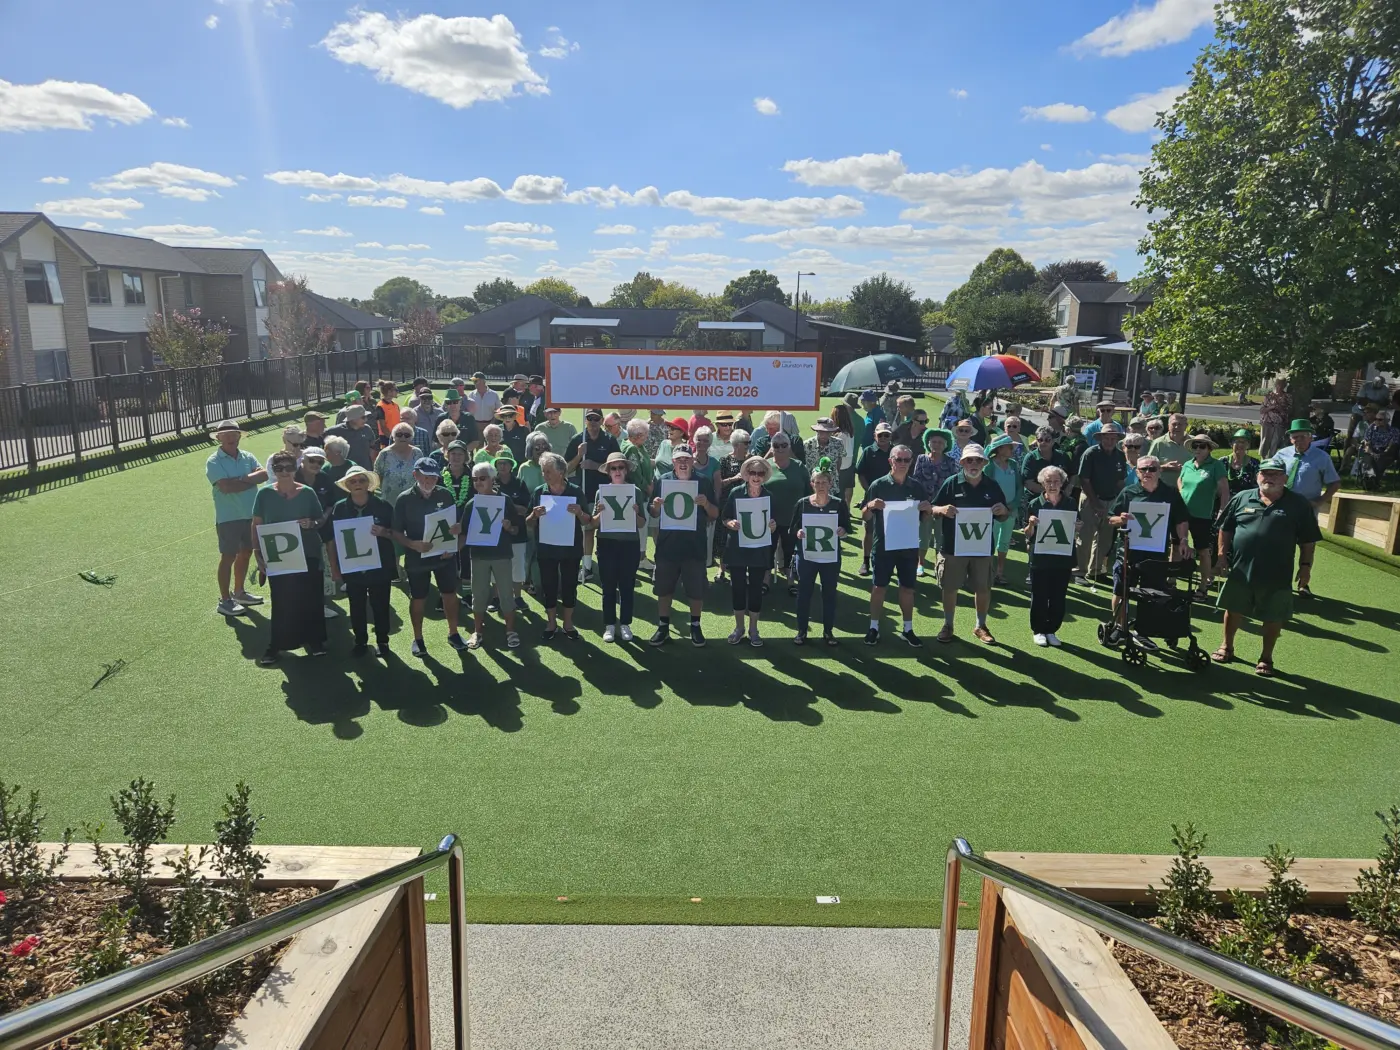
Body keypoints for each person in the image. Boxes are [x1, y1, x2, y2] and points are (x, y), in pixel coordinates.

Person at [1213, 456, 1322, 675]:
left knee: (1273, 616)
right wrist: (1222, 556)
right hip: (1241, 570)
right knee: (1233, 609)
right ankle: (1227, 646)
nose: (1269, 478)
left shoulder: (1298, 504)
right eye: (1265, 473)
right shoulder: (1242, 498)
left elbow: (1308, 540)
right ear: (1257, 476)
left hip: (1277, 573)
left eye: (1275, 474)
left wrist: (1306, 566)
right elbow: (1225, 528)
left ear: (1284, 477)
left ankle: (1266, 657)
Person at [1104, 455, 1191, 646]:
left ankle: (1142, 631)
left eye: (1152, 469)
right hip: (1128, 552)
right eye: (1143, 469)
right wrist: (1122, 519)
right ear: (1137, 472)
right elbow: (1111, 519)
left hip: (1156, 555)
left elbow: (1181, 519)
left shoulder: (1170, 493)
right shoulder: (1128, 493)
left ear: (1160, 471)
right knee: (1121, 591)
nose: (1148, 473)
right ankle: (1120, 628)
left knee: (1152, 594)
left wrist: (1183, 540)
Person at [251, 451, 329, 665]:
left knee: (311, 598)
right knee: (282, 601)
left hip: (308, 554)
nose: (284, 472)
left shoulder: (308, 493)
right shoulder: (264, 495)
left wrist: (310, 524)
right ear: (273, 471)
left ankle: (315, 642)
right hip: (278, 557)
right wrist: (257, 554)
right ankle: (276, 645)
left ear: (295, 468)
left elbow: (319, 520)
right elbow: (256, 525)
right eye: (279, 468)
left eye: (288, 467)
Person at [932, 444, 1009, 644]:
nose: (973, 463)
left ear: (984, 462)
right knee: (950, 587)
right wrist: (941, 510)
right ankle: (948, 625)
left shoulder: (991, 485)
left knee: (982, 587)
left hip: (981, 546)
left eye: (978, 460)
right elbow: (932, 508)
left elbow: (1004, 513)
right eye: (969, 460)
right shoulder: (951, 483)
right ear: (962, 462)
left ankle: (980, 625)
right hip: (953, 547)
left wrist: (1003, 511)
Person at [392, 458, 466, 657]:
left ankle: (453, 633)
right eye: (425, 476)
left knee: (449, 594)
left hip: (444, 556)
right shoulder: (404, 499)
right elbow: (396, 532)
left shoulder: (446, 494)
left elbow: (456, 525)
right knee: (418, 597)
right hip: (417, 557)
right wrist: (412, 544)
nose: (429, 480)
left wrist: (456, 537)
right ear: (415, 475)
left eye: (433, 476)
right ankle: (418, 638)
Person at [861, 443, 931, 646]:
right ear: (890, 461)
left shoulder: (916, 486)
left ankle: (907, 629)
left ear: (911, 462)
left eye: (906, 460)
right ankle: (873, 627)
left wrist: (927, 510)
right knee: (879, 587)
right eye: (898, 459)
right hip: (883, 546)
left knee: (907, 589)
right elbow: (864, 516)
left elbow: (925, 519)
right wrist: (870, 506)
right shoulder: (879, 485)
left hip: (908, 547)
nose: (902, 463)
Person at [648, 443, 717, 646]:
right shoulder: (663, 481)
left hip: (694, 545)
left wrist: (705, 504)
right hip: (668, 545)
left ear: (693, 461)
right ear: (673, 462)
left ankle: (695, 626)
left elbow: (714, 513)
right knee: (664, 589)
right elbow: (653, 512)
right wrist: (656, 506)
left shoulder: (703, 482)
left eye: (687, 459)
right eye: (679, 459)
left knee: (696, 589)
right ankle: (663, 626)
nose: (683, 463)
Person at [328, 465, 397, 658]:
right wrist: (334, 568)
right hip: (352, 568)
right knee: (356, 606)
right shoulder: (339, 508)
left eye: (361, 480)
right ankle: (360, 641)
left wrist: (384, 532)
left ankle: (383, 641)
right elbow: (332, 540)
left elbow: (398, 534)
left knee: (381, 605)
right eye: (353, 481)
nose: (357, 484)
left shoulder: (383, 506)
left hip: (380, 567)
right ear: (347, 485)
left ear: (369, 483)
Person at [206, 421, 268, 617]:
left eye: (234, 433)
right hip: (228, 518)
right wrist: (249, 480)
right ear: (218, 438)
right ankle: (225, 600)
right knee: (228, 557)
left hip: (250, 515)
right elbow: (225, 487)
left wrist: (240, 480)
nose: (231, 437)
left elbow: (264, 474)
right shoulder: (214, 460)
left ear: (239, 436)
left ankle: (239, 592)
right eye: (226, 434)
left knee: (246, 553)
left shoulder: (247, 456)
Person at [1274, 419, 1341, 595]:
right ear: (1290, 439)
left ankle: (1303, 584)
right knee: (1282, 547)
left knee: (1307, 546)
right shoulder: (1282, 455)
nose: (1299, 440)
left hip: (1307, 511)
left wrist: (1320, 501)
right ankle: (1281, 581)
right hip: (1283, 508)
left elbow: (1334, 483)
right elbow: (1268, 474)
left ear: (1310, 438)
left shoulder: (1321, 457)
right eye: (1296, 437)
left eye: (1303, 437)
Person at [461, 462, 522, 651]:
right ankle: (477, 631)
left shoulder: (505, 501)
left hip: (502, 555)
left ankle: (510, 631)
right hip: (478, 556)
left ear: (492, 479)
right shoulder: (471, 504)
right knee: (478, 596)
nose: (478, 482)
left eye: (482, 478)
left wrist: (508, 527)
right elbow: (463, 533)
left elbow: (516, 530)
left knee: (506, 595)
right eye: (475, 479)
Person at [528, 452, 588, 641]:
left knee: (570, 585)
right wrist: (533, 516)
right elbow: (528, 523)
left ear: (561, 472)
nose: (544, 475)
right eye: (543, 471)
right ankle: (551, 622)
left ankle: (568, 623)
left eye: (548, 471)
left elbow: (588, 521)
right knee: (549, 586)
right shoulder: (539, 492)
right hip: (546, 549)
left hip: (571, 549)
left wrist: (579, 512)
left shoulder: (576, 491)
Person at [720, 455, 778, 645]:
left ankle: (754, 629)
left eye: (760, 473)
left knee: (755, 589)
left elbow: (775, 522)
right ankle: (739, 627)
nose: (756, 476)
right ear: (746, 474)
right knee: (737, 588)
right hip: (737, 547)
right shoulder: (736, 493)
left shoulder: (769, 496)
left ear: (764, 475)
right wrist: (731, 523)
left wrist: (772, 525)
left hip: (759, 549)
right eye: (752, 472)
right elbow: (724, 517)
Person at [793, 459, 851, 646]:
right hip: (807, 556)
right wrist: (798, 533)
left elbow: (846, 527)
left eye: (824, 482)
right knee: (804, 592)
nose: (820, 486)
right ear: (812, 484)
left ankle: (828, 631)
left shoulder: (838, 504)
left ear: (831, 483)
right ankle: (801, 630)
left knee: (829, 593)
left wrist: (842, 532)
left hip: (830, 557)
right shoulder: (802, 503)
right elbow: (792, 529)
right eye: (817, 482)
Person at [591, 451, 648, 642]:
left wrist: (637, 513)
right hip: (607, 544)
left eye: (620, 467)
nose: (617, 471)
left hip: (629, 545)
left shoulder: (636, 492)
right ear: (608, 472)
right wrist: (599, 513)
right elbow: (593, 523)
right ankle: (609, 625)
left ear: (626, 470)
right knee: (608, 587)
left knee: (627, 586)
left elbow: (641, 524)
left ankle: (625, 624)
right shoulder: (602, 492)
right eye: (613, 468)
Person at [1023, 465, 1076, 647]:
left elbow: (1074, 529)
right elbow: (1027, 534)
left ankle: (1051, 629)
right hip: (1040, 557)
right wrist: (1031, 525)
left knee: (1058, 596)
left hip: (1063, 557)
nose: (1052, 485)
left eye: (1056, 481)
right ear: (1042, 483)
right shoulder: (1034, 504)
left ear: (1062, 483)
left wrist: (1078, 526)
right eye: (1048, 481)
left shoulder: (1070, 503)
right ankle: (1038, 630)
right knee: (1039, 595)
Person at [565, 409, 621, 582]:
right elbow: (567, 469)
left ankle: (610, 566)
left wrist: (595, 465)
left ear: (601, 420)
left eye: (596, 419)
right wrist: (579, 456)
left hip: (607, 492)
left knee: (607, 531)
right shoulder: (578, 440)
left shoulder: (610, 441)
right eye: (589, 419)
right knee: (587, 530)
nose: (593, 422)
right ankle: (587, 567)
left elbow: (618, 468)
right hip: (585, 493)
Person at [1178, 433, 1230, 595]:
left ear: (1209, 449)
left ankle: (1202, 586)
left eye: (1202, 446)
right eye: (1195, 446)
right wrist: (1182, 493)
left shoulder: (1216, 465)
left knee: (1202, 550)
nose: (1198, 449)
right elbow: (1180, 481)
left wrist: (1222, 511)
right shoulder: (1187, 464)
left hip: (1202, 515)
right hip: (1182, 514)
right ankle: (1172, 580)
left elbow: (1225, 491)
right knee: (1176, 546)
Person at [1075, 422, 1128, 581]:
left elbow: (1120, 481)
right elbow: (1084, 480)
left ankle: (1096, 570)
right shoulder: (1090, 453)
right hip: (1091, 498)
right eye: (1107, 437)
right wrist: (1096, 503)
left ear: (1117, 438)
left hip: (1111, 500)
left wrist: (1120, 501)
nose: (1110, 441)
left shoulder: (1120, 455)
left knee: (1105, 538)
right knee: (1085, 536)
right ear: (1101, 438)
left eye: (1113, 438)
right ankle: (1080, 570)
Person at [764, 432, 811, 594]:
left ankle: (791, 580)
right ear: (772, 447)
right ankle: (766, 579)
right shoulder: (765, 466)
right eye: (776, 445)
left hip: (793, 519)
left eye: (784, 445)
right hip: (770, 519)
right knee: (767, 550)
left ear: (789, 446)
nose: (780, 448)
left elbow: (808, 492)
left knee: (790, 550)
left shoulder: (799, 467)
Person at [913, 428, 959, 579]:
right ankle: (920, 564)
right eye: (934, 441)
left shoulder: (951, 462)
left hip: (943, 508)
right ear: (928, 443)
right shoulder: (921, 459)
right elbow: (916, 483)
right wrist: (923, 507)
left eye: (940, 442)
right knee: (923, 537)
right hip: (924, 507)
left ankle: (938, 564)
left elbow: (953, 485)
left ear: (946, 444)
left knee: (941, 538)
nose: (937, 445)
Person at [855, 422, 895, 576]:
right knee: (869, 529)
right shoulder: (868, 451)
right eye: (880, 435)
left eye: (887, 435)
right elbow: (861, 473)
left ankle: (887, 562)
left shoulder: (895, 451)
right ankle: (865, 561)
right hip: (872, 497)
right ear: (874, 436)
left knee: (889, 531)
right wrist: (869, 490)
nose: (884, 438)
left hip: (892, 498)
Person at [495, 453, 531, 613]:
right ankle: (496, 598)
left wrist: (506, 504)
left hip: (518, 532)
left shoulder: (519, 484)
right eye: (499, 463)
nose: (502, 466)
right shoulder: (491, 483)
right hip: (496, 533)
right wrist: (512, 506)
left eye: (506, 463)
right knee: (495, 566)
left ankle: (517, 596)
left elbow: (525, 509)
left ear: (511, 466)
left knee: (517, 568)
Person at [985, 435, 1022, 586]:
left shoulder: (1013, 464)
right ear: (999, 449)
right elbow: (986, 489)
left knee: (1005, 541)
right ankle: (989, 572)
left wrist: (1013, 504)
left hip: (1011, 511)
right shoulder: (989, 466)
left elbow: (1019, 487)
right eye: (1009, 447)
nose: (1012, 449)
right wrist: (998, 506)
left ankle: (1000, 572)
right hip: (994, 511)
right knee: (991, 542)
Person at [374, 422, 423, 507]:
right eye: (399, 434)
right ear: (393, 436)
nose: (403, 437)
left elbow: (421, 474)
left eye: (407, 435)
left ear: (411, 437)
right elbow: (377, 476)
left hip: (412, 499)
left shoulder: (417, 453)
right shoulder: (384, 454)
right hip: (389, 500)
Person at [1023, 427, 1075, 498]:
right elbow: (1028, 483)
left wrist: (1069, 487)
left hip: (1061, 498)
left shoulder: (1062, 456)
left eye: (1047, 440)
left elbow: (1073, 475)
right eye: (1040, 440)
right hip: (1037, 499)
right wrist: (1052, 492)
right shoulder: (1030, 458)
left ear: (1053, 441)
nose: (1043, 442)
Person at [325, 403, 378, 469]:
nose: (366, 420)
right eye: (363, 417)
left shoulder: (367, 429)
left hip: (365, 469)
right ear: (353, 419)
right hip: (346, 471)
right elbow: (320, 436)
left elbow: (373, 446)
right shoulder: (336, 431)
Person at [1147, 412, 1191, 489]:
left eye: (1180, 424)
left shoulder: (1194, 442)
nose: (1177, 427)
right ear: (1168, 426)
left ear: (1186, 426)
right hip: (1164, 489)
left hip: (1189, 489)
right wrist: (1164, 467)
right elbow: (1148, 467)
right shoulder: (1158, 443)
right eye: (1174, 424)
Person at [830, 404, 859, 507]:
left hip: (841, 467)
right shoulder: (850, 432)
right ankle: (847, 510)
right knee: (848, 488)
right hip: (849, 465)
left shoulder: (841, 435)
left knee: (839, 494)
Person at [1259, 378, 1290, 457]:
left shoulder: (1287, 397)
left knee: (1274, 443)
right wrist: (1271, 407)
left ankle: (1271, 461)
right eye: (1278, 384)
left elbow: (1289, 410)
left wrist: (1280, 409)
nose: (1279, 387)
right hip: (1267, 422)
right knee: (1265, 442)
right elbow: (1262, 410)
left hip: (1279, 423)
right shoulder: (1269, 396)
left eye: (1282, 385)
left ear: (1284, 386)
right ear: (1275, 385)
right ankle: (1263, 459)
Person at [1225, 429, 1260, 495]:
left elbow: (1259, 484)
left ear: (1248, 445)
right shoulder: (1222, 462)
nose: (1240, 444)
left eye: (1243, 442)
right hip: (1224, 499)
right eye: (1237, 441)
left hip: (1246, 501)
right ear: (1231, 444)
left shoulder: (1255, 463)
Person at [375, 381, 401, 446]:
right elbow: (383, 427)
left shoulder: (395, 405)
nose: (397, 391)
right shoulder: (380, 406)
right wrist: (392, 439)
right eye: (396, 390)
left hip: (397, 437)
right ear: (389, 392)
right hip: (386, 439)